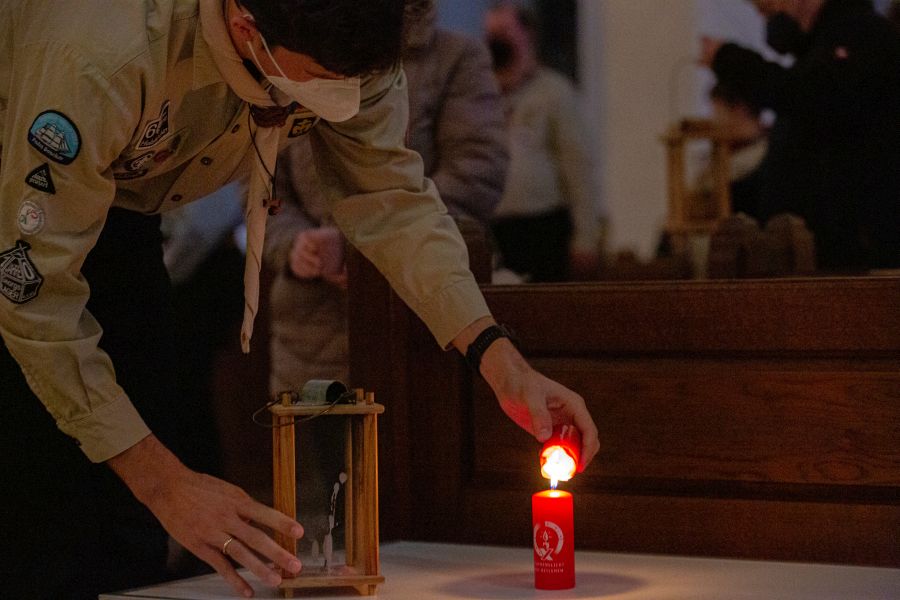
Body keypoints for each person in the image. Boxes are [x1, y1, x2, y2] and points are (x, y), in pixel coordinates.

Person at [0, 2, 598, 599]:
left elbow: (389, 197)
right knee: (45, 513)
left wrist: (500, 361)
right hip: (20, 193)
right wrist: (166, 484)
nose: (335, 103)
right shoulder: (99, 54)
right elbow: (32, 296)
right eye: (318, 85)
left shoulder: (352, 35)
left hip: (123, 212)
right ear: (244, 28)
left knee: (123, 532)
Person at [266, 2, 508, 393]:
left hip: (415, 310)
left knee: (419, 444)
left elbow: (477, 171)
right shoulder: (293, 40)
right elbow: (263, 183)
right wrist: (295, 245)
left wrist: (355, 247)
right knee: (318, 448)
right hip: (312, 322)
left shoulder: (454, 58)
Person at [700, 0, 900, 270]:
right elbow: (794, 158)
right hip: (816, 255)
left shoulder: (862, 36)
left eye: (768, 9)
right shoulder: (816, 51)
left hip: (857, 255)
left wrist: (731, 60)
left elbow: (811, 98)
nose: (764, 12)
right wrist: (721, 202)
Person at [484, 2, 603, 282]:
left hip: (543, 230)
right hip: (495, 229)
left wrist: (586, 236)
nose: (495, 42)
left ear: (527, 35)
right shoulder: (481, 95)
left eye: (503, 32)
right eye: (490, 33)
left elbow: (579, 167)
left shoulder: (553, 92)